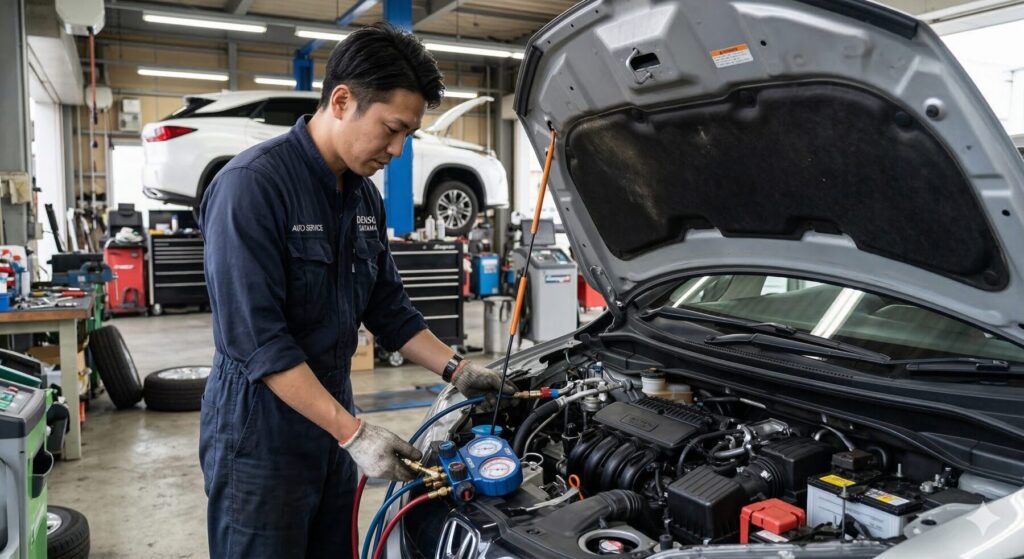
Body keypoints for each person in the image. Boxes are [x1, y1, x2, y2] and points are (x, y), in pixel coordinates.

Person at [198, 23, 512, 558]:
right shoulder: (251, 187)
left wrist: (459, 370)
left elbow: (389, 308)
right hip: (259, 434)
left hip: (331, 416)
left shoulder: (363, 197)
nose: (398, 147)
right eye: (392, 128)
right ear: (342, 100)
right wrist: (354, 434)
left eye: (408, 133)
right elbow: (259, 344)